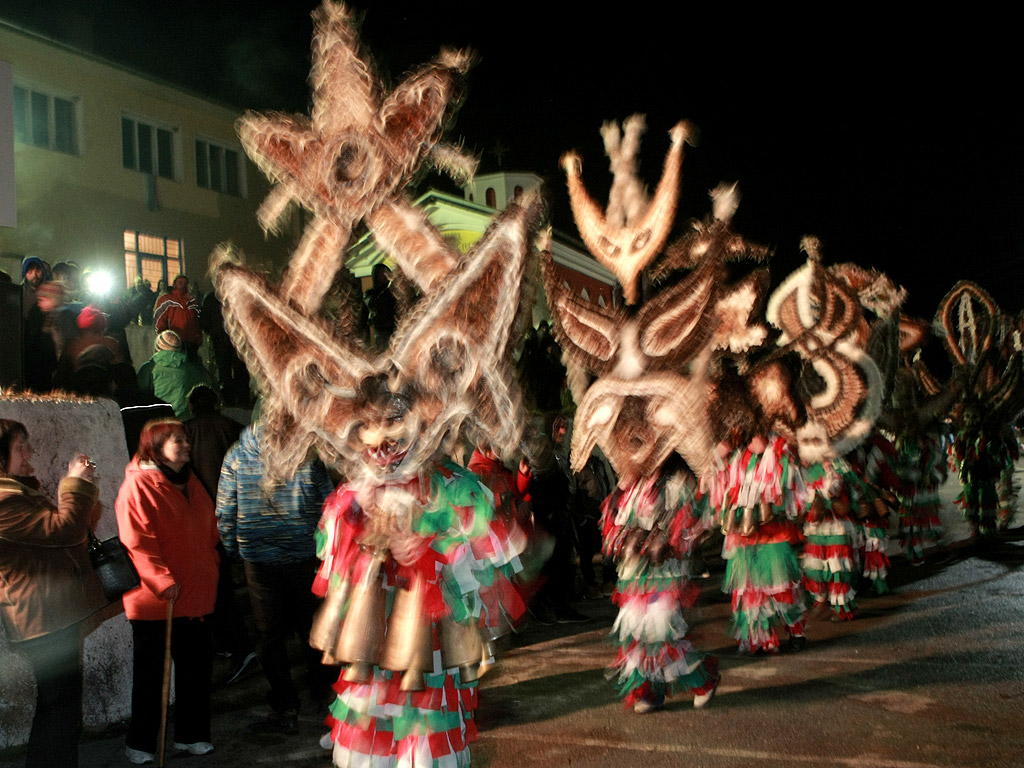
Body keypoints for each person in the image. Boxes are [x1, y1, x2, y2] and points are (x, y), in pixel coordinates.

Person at [0, 419, 108, 768]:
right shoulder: (3, 501)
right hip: (40, 619)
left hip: (51, 614)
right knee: (59, 712)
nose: (29, 452)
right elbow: (64, 530)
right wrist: (74, 484)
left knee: (57, 709)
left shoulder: (18, 491)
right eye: (20, 446)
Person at [217, 424, 335, 732]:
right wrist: (326, 548)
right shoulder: (308, 455)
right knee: (312, 625)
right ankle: (323, 692)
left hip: (258, 559)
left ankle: (286, 705)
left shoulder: (237, 456)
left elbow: (225, 508)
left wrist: (232, 549)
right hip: (302, 554)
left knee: (269, 634)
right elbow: (329, 504)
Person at [115, 418, 220, 764]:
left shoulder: (191, 481)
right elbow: (137, 541)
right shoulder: (138, 486)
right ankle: (141, 743)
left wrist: (214, 557)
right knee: (151, 676)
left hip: (197, 594)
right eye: (177, 440)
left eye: (184, 438)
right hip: (157, 600)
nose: (186, 444)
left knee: (195, 670)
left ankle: (193, 735)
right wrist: (162, 581)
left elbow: (209, 527)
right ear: (156, 447)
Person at [137, 330, 214, 419]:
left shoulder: (148, 369)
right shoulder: (192, 368)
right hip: (185, 422)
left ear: (157, 347)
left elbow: (140, 396)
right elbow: (209, 384)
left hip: (159, 422)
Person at [153, 275, 202, 353]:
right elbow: (159, 320)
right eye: (180, 282)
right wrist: (164, 339)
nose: (183, 285)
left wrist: (198, 337)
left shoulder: (192, 301)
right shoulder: (167, 300)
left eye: (185, 283)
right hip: (174, 343)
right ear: (174, 285)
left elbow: (197, 321)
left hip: (191, 343)